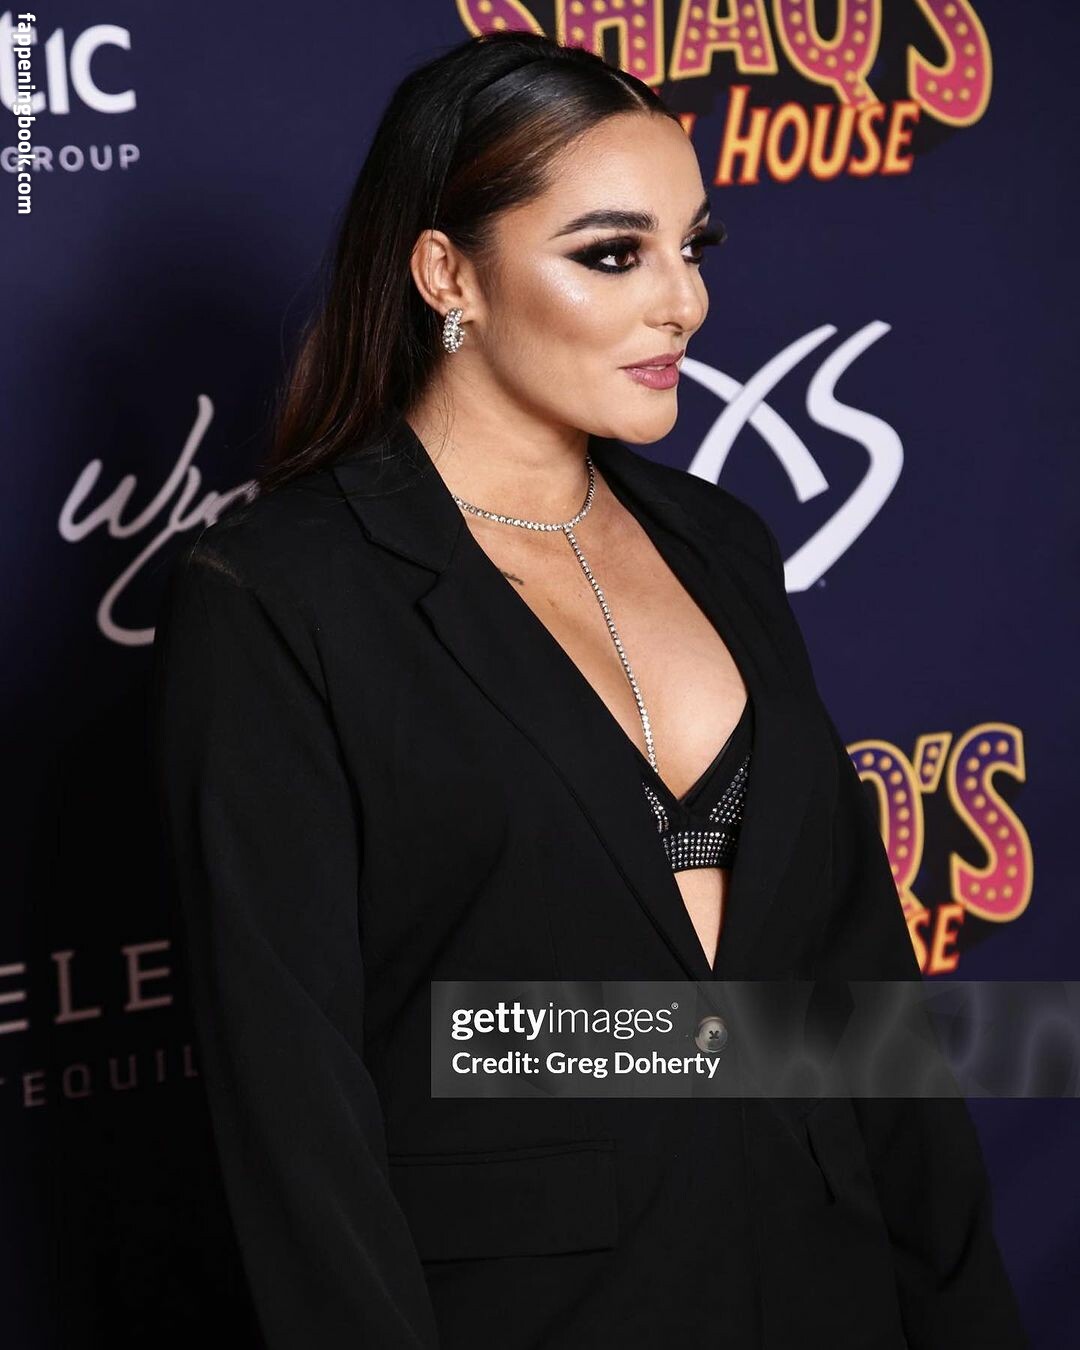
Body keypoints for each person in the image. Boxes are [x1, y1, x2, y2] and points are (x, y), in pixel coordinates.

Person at [151, 31, 1028, 1350]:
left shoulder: (722, 543)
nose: (683, 303)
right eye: (615, 254)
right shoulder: (277, 597)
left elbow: (859, 1001)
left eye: (694, 246)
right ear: (447, 273)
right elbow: (295, 1109)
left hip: (827, 1280)